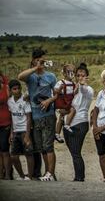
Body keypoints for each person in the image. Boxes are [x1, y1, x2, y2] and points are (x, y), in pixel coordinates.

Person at [18, 48, 57, 181]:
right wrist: (36, 67)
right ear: (34, 60)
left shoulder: (51, 76)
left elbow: (58, 94)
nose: (43, 62)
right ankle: (48, 173)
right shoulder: (30, 76)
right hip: (35, 116)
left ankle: (50, 173)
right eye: (41, 59)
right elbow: (20, 77)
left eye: (44, 60)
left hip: (48, 114)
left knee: (48, 146)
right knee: (41, 148)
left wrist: (49, 101)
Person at [63, 63, 94, 182]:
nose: (80, 77)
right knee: (74, 153)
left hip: (80, 123)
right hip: (68, 123)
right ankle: (78, 175)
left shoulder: (88, 89)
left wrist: (82, 85)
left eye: (83, 75)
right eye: (78, 75)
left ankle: (80, 177)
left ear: (87, 77)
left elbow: (85, 90)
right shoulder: (72, 89)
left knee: (76, 152)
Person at [8, 79, 34, 180]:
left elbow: (28, 118)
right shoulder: (9, 101)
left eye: (18, 88)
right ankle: (22, 176)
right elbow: (11, 118)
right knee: (13, 156)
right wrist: (11, 133)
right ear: (10, 91)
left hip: (24, 130)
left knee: (29, 154)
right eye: (14, 89)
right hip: (15, 131)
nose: (17, 91)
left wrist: (27, 135)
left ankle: (30, 177)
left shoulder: (24, 100)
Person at [54, 64, 76, 143]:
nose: (71, 74)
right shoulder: (61, 82)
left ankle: (57, 133)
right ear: (64, 73)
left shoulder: (73, 84)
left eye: (73, 72)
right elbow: (55, 91)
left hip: (67, 103)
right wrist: (59, 90)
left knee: (61, 118)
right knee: (72, 110)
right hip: (62, 104)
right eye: (69, 72)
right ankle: (66, 125)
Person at [0, 72, 11, 180]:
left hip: (5, 123)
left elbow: (10, 103)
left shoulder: (6, 87)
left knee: (5, 149)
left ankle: (8, 174)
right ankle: (1, 174)